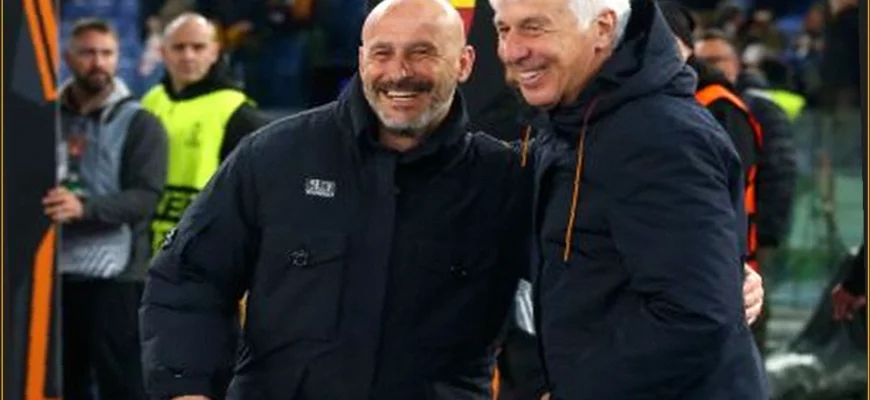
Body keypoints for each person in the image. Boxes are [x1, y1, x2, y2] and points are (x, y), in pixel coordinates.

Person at [139, 0, 531, 399]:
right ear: (361, 60)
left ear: (464, 63)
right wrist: (187, 388)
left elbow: (552, 308)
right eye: (382, 53)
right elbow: (190, 276)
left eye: (422, 52)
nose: (399, 72)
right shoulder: (275, 155)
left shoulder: (501, 178)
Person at [490, 0, 768, 398]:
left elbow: (695, 314)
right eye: (504, 29)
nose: (512, 50)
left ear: (603, 28)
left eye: (534, 27)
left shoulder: (661, 138)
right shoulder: (570, 122)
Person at [46, 18, 168, 400]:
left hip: (116, 277)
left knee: (123, 386)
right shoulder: (42, 117)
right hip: (53, 273)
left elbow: (146, 197)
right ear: (68, 58)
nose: (98, 62)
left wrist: (84, 208)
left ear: (118, 58)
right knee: (62, 385)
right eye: (87, 53)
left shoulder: (142, 122)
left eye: (107, 53)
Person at [141, 13, 270, 254]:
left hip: (203, 248)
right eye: (179, 47)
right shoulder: (150, 101)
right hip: (146, 245)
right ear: (163, 52)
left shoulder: (237, 111)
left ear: (214, 52)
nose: (188, 56)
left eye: (198, 47)